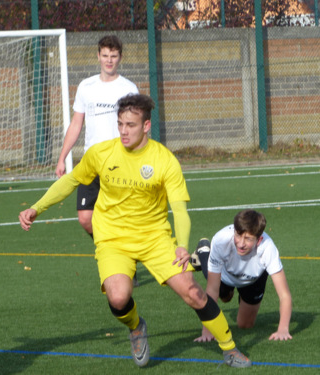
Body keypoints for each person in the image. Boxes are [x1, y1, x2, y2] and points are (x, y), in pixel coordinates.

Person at [19, 93, 251, 368]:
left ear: (146, 126)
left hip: (154, 238)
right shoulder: (101, 153)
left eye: (130, 125)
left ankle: (230, 348)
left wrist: (181, 244)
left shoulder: (164, 160)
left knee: (193, 292)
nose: (124, 131)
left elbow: (179, 210)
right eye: (120, 124)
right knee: (118, 297)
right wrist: (37, 207)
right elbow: (70, 182)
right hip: (112, 238)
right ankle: (136, 326)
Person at [56, 35, 140, 286]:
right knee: (85, 217)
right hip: (92, 162)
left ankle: (123, 263)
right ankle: (116, 253)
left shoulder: (128, 88)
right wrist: (63, 157)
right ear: (98, 56)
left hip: (120, 162)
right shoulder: (86, 87)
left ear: (120, 58)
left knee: (121, 217)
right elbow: (76, 124)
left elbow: (135, 127)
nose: (109, 60)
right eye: (105, 55)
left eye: (114, 56)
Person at [191, 209, 293, 343]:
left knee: (245, 325)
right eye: (238, 235)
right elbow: (212, 290)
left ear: (259, 239)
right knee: (224, 296)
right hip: (225, 275)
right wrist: (207, 330)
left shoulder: (268, 248)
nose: (241, 243)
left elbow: (284, 295)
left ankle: (243, 296)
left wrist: (283, 329)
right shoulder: (221, 240)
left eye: (248, 239)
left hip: (252, 279)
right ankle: (203, 251)